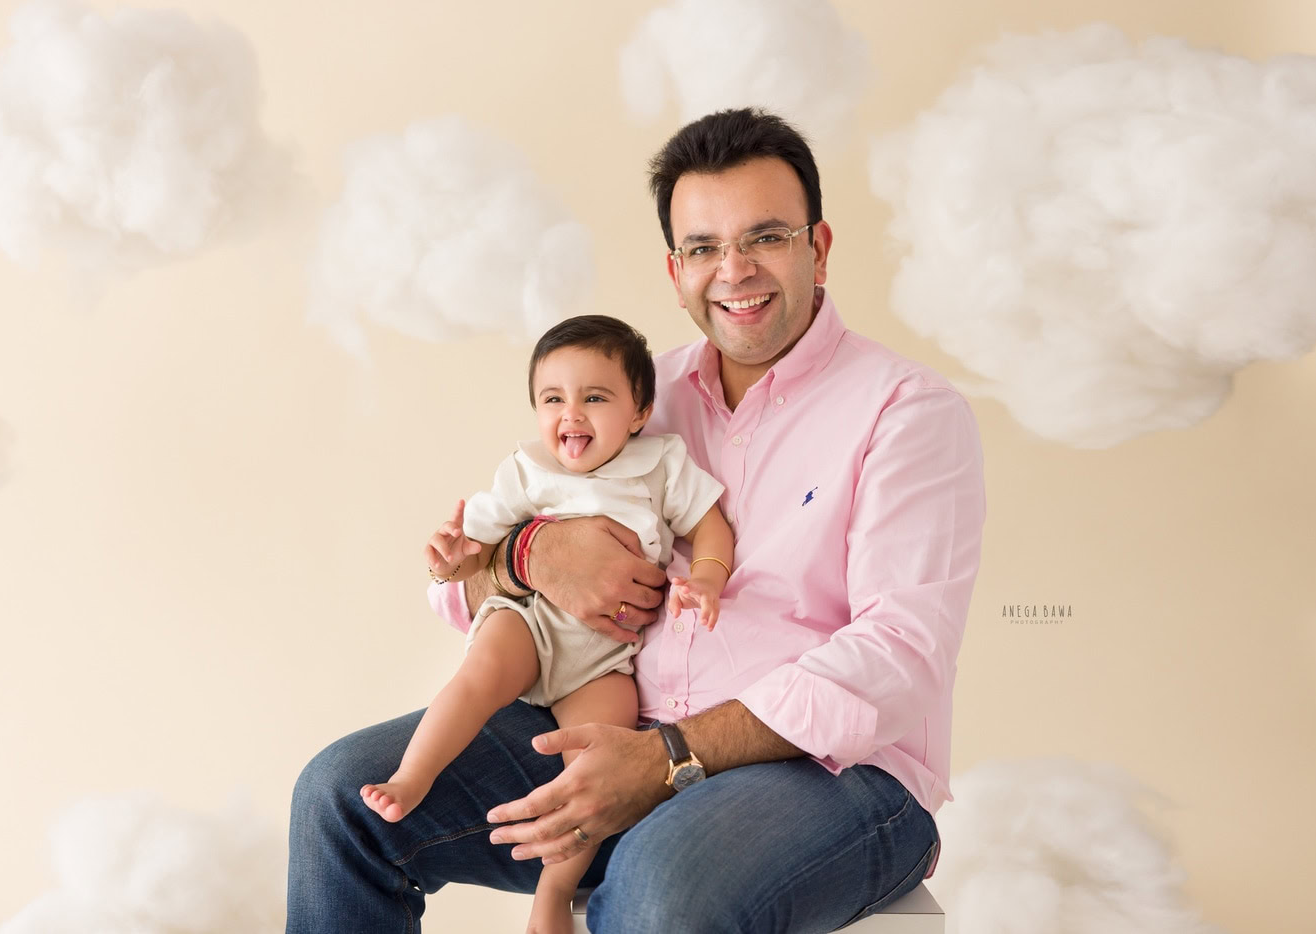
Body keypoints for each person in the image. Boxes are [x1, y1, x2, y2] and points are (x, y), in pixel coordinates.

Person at [287, 107, 986, 934]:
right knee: (339, 797)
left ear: (819, 248)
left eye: (765, 237)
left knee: (661, 889)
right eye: (703, 247)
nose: (734, 271)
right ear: (675, 269)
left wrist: (669, 756)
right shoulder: (632, 393)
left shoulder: (907, 411)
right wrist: (530, 556)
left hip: (834, 776)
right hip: (609, 723)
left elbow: (901, 652)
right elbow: (456, 586)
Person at [359, 314, 734, 933]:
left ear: (639, 411)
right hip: (529, 620)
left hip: (604, 657)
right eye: (552, 399)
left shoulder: (662, 464)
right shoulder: (529, 468)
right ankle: (412, 776)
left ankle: (553, 892)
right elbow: (480, 548)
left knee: (594, 762)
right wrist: (452, 560)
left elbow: (710, 526)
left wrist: (709, 578)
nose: (571, 415)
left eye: (596, 398)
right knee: (480, 676)